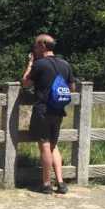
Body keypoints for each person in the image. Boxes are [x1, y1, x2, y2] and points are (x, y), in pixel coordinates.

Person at [22, 33, 75, 194]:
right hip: (58, 110)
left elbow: (25, 82)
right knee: (53, 145)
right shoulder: (65, 64)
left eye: (36, 46)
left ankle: (46, 184)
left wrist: (30, 63)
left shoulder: (40, 65)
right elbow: (72, 88)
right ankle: (60, 182)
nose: (34, 49)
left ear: (43, 45)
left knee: (44, 145)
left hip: (43, 110)